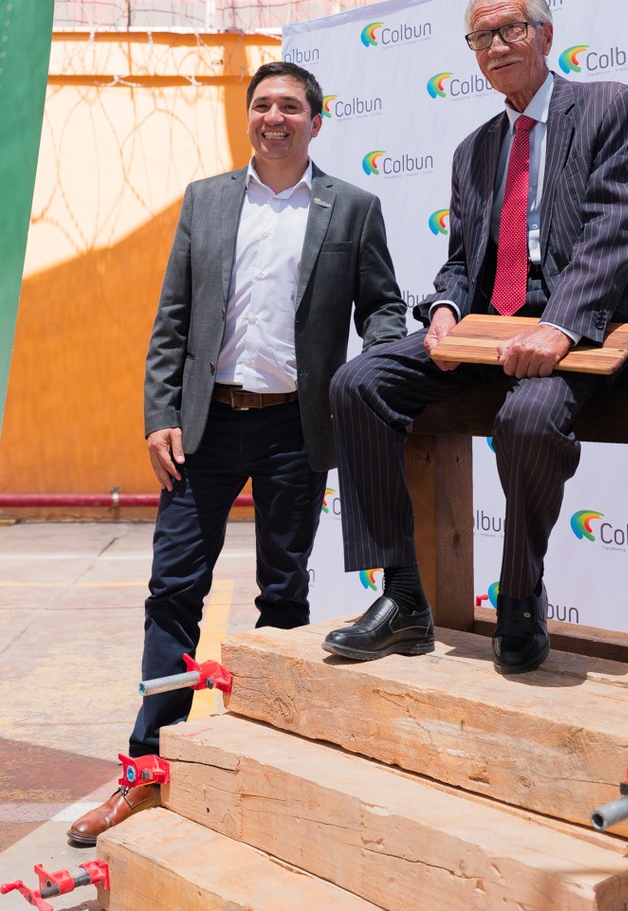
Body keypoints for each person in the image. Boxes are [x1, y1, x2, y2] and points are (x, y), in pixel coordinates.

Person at [68, 60, 404, 846]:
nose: (274, 116)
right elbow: (173, 318)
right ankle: (148, 765)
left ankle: (268, 761)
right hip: (204, 427)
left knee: (284, 596)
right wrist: (160, 413)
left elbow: (383, 306)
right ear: (247, 117)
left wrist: (368, 372)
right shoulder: (208, 201)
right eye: (262, 105)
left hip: (297, 429)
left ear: (316, 121)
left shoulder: (352, 208)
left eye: (291, 106)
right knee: (172, 591)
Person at [325, 0, 628, 675]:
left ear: (545, 33)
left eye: (511, 29)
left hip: (584, 324)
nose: (497, 46)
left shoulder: (605, 105)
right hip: (488, 326)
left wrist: (561, 325)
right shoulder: (472, 150)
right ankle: (405, 597)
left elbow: (614, 229)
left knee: (530, 416)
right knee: (359, 380)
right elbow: (458, 265)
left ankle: (522, 593)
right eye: (482, 37)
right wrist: (444, 311)